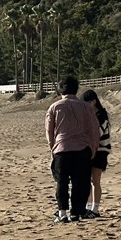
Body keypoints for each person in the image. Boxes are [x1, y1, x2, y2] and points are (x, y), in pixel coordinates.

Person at [46, 76, 99, 222]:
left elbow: (49, 131)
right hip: (82, 149)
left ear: (59, 89)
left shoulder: (55, 107)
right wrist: (94, 147)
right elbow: (94, 129)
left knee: (61, 182)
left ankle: (62, 212)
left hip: (61, 148)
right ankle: (76, 212)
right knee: (80, 183)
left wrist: (53, 148)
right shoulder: (86, 107)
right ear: (76, 89)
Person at [82, 89, 111, 218]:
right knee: (86, 180)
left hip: (100, 151)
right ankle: (88, 207)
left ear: (93, 102)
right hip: (89, 150)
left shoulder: (101, 116)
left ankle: (95, 208)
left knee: (96, 180)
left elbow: (97, 134)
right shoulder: (89, 115)